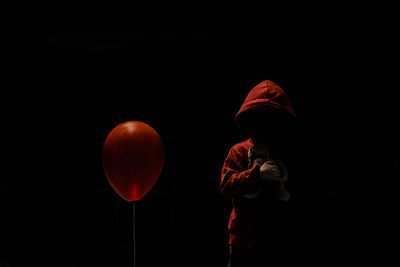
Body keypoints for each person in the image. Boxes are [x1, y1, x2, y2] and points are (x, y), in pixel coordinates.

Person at [220, 80, 297, 267]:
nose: (266, 123)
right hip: (244, 241)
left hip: (278, 238)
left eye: (272, 117)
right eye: (261, 116)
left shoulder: (287, 152)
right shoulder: (239, 150)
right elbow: (226, 186)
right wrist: (257, 174)